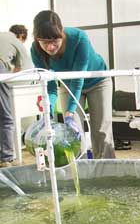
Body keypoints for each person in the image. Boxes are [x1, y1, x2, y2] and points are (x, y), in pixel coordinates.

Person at [31, 10, 115, 159]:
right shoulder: (35, 50)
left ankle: (106, 173)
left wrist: (69, 112)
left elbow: (78, 78)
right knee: (72, 133)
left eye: (54, 41)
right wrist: (47, 112)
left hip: (98, 82)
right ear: (37, 39)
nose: (50, 47)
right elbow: (50, 86)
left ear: (61, 32)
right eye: (44, 42)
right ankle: (80, 172)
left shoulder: (78, 38)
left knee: (101, 130)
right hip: (68, 84)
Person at [0, 30, 33, 167]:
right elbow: (24, 67)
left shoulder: (3, 36)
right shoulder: (17, 42)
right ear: (21, 37)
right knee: (6, 118)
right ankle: (6, 159)